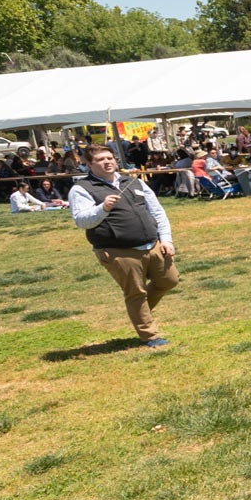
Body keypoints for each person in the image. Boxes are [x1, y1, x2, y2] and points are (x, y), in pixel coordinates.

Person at [69, 146, 179, 348]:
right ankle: (150, 336)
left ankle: (139, 312)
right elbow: (82, 221)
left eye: (110, 158)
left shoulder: (133, 181)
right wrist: (103, 208)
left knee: (169, 280)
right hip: (117, 250)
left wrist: (166, 239)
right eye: (100, 159)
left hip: (152, 244)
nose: (107, 162)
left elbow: (157, 211)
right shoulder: (82, 189)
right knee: (136, 293)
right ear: (89, 164)